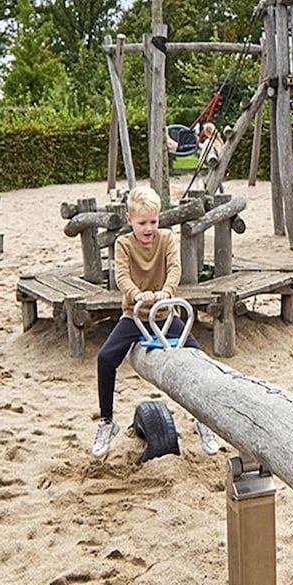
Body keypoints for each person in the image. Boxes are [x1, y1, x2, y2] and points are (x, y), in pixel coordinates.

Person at [89, 185, 221, 460]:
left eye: (153, 222)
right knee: (106, 358)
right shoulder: (124, 244)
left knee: (198, 357)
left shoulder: (166, 239)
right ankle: (106, 421)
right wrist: (137, 294)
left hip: (164, 313)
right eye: (142, 223)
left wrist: (166, 292)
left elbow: (175, 268)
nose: (149, 229)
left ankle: (203, 419)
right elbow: (121, 276)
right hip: (135, 316)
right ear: (130, 220)